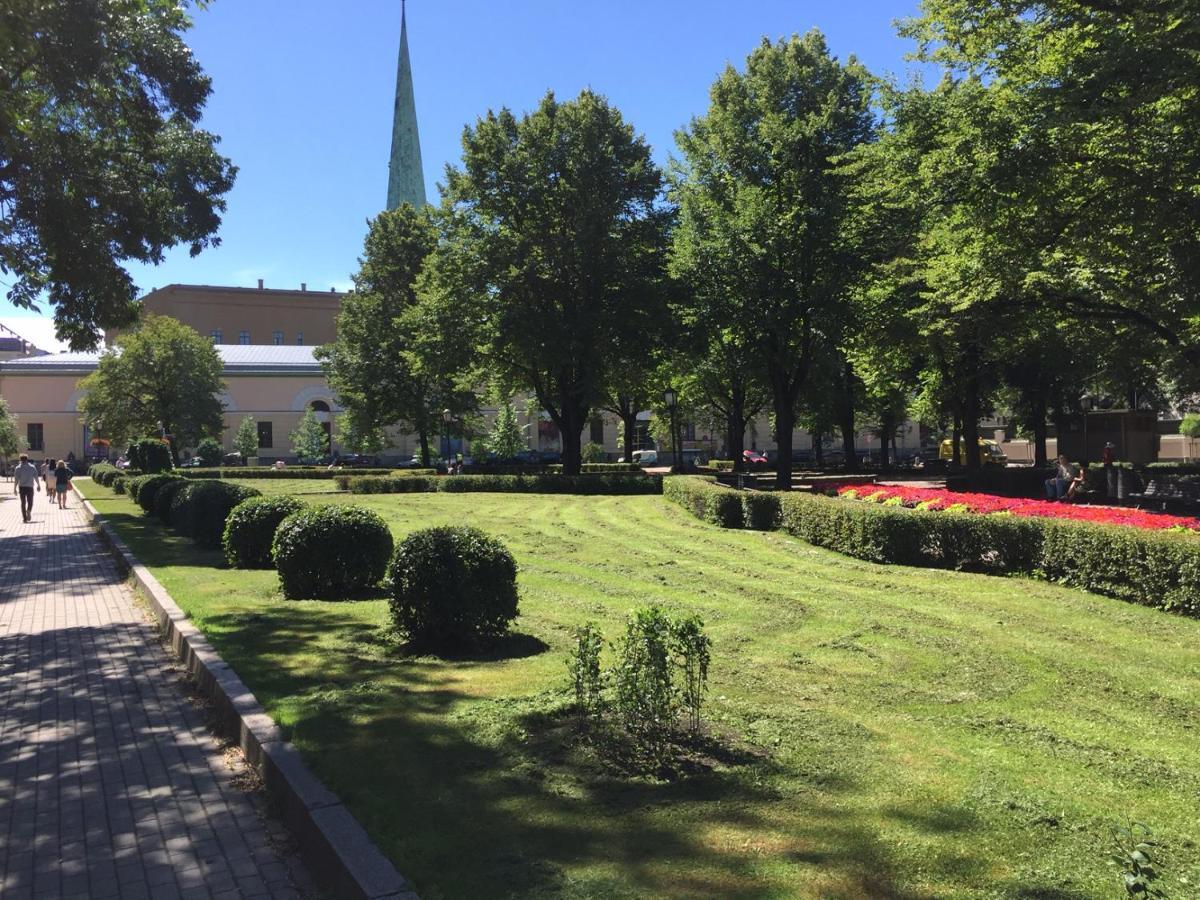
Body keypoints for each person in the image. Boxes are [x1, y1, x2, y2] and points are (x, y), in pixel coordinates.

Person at [13, 453, 41, 522]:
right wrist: (38, 485)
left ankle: (24, 518)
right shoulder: (32, 467)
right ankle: (28, 510)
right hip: (30, 487)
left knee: (23, 503)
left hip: (22, 487)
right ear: (27, 459)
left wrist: (14, 488)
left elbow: (16, 479)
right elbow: (36, 476)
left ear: (20, 459)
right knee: (30, 501)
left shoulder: (18, 468)